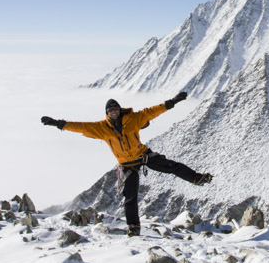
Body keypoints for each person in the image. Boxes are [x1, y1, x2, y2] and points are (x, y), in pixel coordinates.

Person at [41, 91, 212, 237]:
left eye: (115, 109)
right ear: (107, 113)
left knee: (171, 166)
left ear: (119, 110)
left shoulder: (134, 119)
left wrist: (172, 102)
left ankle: (197, 178)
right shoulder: (101, 128)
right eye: (110, 110)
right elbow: (81, 127)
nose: (113, 112)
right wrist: (59, 123)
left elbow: (152, 111)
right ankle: (133, 227)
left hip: (143, 156)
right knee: (130, 197)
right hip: (127, 165)